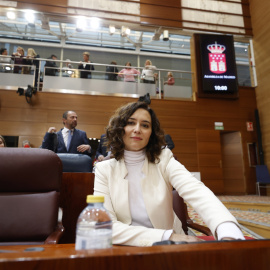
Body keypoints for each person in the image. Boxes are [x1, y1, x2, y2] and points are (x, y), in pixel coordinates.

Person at [94, 102, 245, 247]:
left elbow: (196, 190)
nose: (137, 129)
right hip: (129, 247)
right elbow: (105, 226)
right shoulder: (103, 169)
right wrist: (166, 236)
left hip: (172, 248)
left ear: (151, 133)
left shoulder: (164, 159)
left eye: (145, 125)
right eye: (131, 123)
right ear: (120, 128)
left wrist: (227, 228)